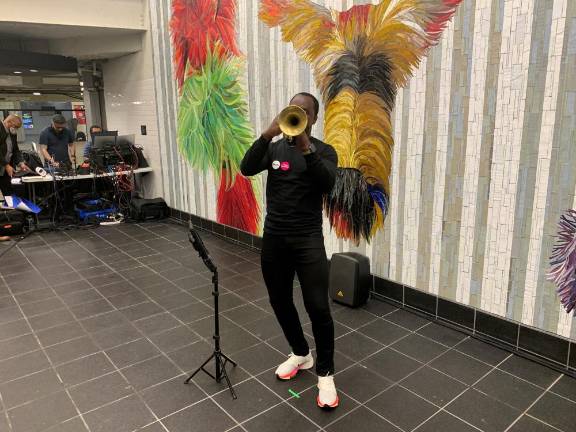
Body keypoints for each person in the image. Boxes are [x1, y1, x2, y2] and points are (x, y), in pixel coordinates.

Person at [240, 92, 339, 409]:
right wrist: (266, 135)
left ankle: (325, 374)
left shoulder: (325, 151)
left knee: (317, 307)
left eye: (305, 111)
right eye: (294, 109)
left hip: (308, 239)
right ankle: (301, 353)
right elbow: (246, 168)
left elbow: (327, 184)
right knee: (279, 300)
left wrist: (306, 148)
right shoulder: (274, 149)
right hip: (275, 238)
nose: (299, 115)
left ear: (314, 118)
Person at [0, 114, 30, 241]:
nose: (15, 129)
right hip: (3, 166)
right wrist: (6, 165)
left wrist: (21, 163)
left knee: (10, 196)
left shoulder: (12, 133)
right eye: (15, 126)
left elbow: (15, 150)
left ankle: (12, 224)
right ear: (9, 122)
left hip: (5, 171)